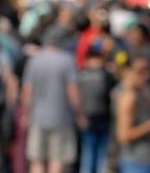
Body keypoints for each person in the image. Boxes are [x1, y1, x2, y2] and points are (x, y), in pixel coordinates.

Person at [22, 27, 85, 173]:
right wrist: (80, 115)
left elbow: (27, 91)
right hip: (62, 117)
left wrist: (26, 114)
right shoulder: (67, 60)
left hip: (37, 117)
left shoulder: (35, 60)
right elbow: (73, 92)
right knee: (57, 160)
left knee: (37, 160)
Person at [115, 55, 150, 173]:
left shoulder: (143, 92)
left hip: (146, 159)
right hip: (135, 161)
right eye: (140, 72)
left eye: (148, 71)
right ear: (128, 72)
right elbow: (124, 136)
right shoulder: (129, 97)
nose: (146, 76)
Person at [77, 42, 115, 173]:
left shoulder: (81, 75)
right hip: (100, 118)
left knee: (90, 154)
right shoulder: (106, 75)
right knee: (98, 154)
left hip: (93, 119)